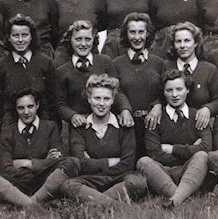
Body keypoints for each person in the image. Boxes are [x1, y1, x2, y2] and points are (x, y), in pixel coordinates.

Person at [0, 87, 79, 208]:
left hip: (45, 180)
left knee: (72, 162)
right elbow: (6, 168)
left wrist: (28, 164)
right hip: (17, 183)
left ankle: (25, 203)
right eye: (21, 108)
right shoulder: (8, 131)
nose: (26, 112)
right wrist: (44, 162)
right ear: (16, 109)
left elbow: (57, 159)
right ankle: (34, 204)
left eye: (30, 106)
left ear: (37, 105)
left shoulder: (50, 127)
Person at [66, 74, 147, 205]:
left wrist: (92, 162)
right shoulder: (80, 126)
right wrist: (111, 161)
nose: (102, 104)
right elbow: (80, 163)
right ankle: (113, 204)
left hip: (118, 179)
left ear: (113, 100)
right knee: (68, 185)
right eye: (97, 98)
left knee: (138, 182)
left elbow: (127, 164)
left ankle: (93, 202)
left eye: (106, 98)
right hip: (90, 180)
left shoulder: (124, 125)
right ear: (89, 99)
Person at [137, 70, 214, 207]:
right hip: (163, 173)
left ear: (188, 90)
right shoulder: (156, 118)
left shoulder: (198, 115)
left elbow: (206, 148)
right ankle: (181, 197)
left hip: (190, 170)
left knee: (201, 156)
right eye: (169, 90)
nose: (174, 95)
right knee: (144, 162)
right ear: (164, 92)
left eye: (179, 89)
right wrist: (190, 150)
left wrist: (171, 149)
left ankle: (175, 199)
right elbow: (154, 153)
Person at [0, 14, 57, 152]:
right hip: (10, 127)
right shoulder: (0, 66)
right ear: (8, 37)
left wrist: (53, 134)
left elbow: (52, 100)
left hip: (41, 124)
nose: (20, 40)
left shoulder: (45, 62)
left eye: (24, 35)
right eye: (15, 35)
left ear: (31, 37)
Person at [55, 20, 132, 133]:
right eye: (78, 39)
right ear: (70, 40)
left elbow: (117, 91)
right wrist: (73, 116)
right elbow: (60, 103)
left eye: (88, 39)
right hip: (79, 127)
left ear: (94, 40)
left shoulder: (105, 62)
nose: (83, 44)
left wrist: (125, 109)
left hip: (105, 123)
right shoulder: (62, 71)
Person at [111, 13, 164, 157]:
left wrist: (158, 105)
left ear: (147, 34)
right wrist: (125, 109)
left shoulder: (159, 63)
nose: (137, 37)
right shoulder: (116, 63)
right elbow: (117, 90)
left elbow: (165, 90)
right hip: (127, 124)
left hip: (153, 125)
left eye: (141, 32)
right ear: (126, 34)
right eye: (132, 32)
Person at [163, 21, 218, 127]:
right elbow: (158, 94)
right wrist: (157, 106)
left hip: (201, 125)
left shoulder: (209, 69)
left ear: (195, 43)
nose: (182, 46)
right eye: (178, 41)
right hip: (172, 125)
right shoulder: (166, 66)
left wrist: (208, 108)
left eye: (187, 41)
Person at [54, 0, 106, 67]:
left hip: (90, 52)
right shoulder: (59, 1)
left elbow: (102, 23)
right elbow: (54, 28)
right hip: (64, 56)